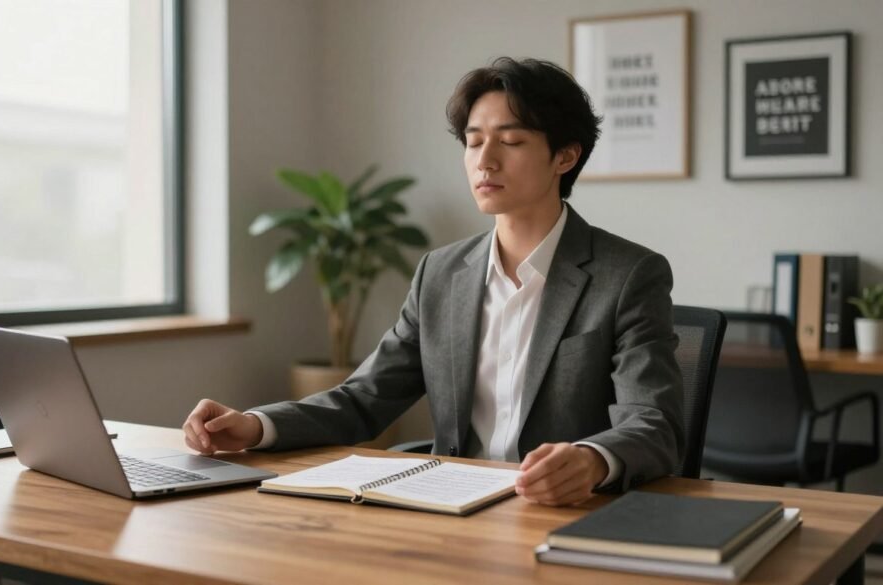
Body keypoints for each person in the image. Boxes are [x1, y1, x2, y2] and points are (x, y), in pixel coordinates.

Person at [183, 57, 684, 507]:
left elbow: (654, 423)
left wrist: (593, 459)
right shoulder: (440, 274)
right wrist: (255, 425)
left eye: (510, 142)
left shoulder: (628, 275)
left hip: (566, 515)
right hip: (455, 511)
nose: (485, 160)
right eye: (473, 141)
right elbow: (364, 399)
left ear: (565, 157)